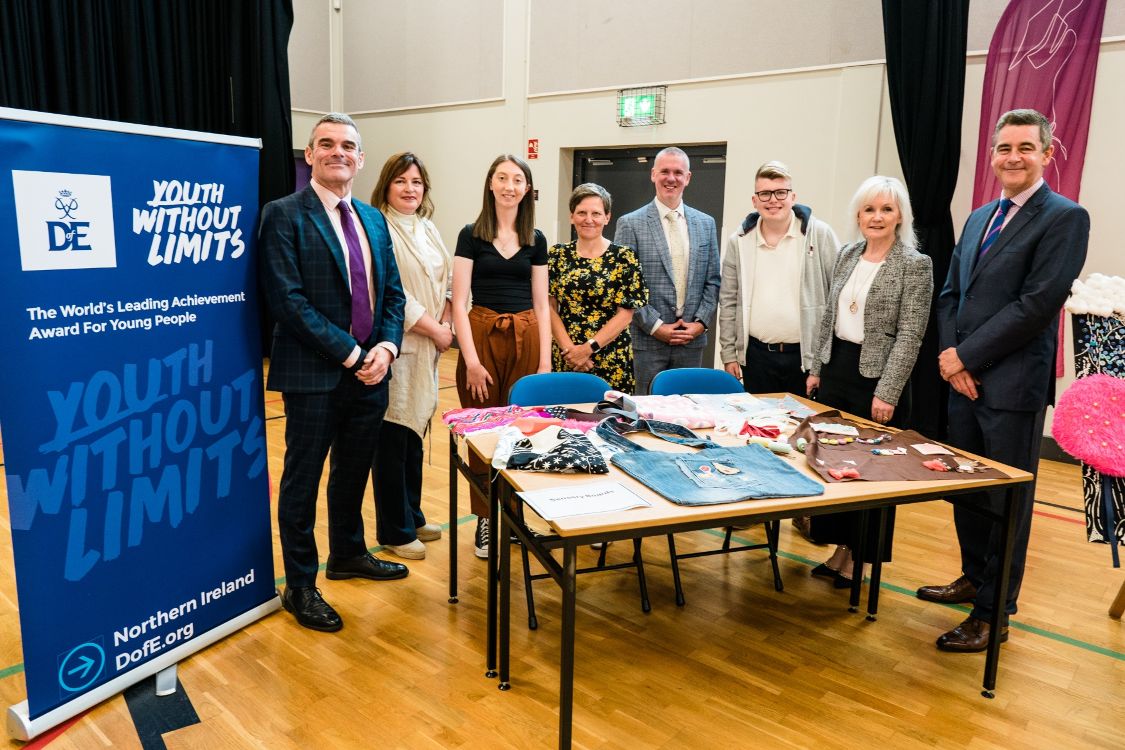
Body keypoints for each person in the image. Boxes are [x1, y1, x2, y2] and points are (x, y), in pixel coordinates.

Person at [918, 108, 1090, 652]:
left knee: (1009, 502)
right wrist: (952, 358)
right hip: (963, 382)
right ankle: (974, 577)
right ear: (991, 155)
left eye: (1024, 147)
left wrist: (964, 357)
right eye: (1003, 148)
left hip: (1011, 388)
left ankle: (995, 612)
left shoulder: (1065, 217)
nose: (1012, 158)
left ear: (1047, 152)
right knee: (968, 494)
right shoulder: (976, 219)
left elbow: (1036, 305)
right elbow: (951, 294)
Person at [261, 113, 409, 633]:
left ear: (361, 159)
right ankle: (300, 584)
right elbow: (288, 302)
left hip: (372, 374)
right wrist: (352, 353)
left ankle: (348, 553)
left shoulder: (372, 219)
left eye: (348, 145)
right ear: (310, 155)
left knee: (353, 472)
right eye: (326, 144)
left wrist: (387, 348)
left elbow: (393, 293)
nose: (337, 152)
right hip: (315, 374)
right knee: (302, 481)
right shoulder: (283, 215)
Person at [805, 176, 933, 588]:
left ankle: (861, 559)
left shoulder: (915, 264)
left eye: (886, 209)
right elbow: (829, 315)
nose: (876, 217)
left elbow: (912, 333)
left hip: (878, 378)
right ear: (858, 215)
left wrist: (888, 390)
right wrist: (816, 367)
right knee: (836, 466)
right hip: (838, 369)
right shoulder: (847, 254)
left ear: (900, 217)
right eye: (869, 209)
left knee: (873, 473)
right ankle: (840, 549)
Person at [452, 154, 551, 559]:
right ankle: (485, 519)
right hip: (481, 335)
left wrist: (545, 364)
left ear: (527, 189)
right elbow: (458, 303)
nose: (510, 186)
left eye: (518, 179)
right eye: (502, 178)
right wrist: (472, 361)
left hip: (527, 337)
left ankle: (515, 514)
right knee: (483, 433)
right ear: (491, 184)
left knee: (522, 431)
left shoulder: (536, 238)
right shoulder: (470, 235)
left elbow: (543, 305)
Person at [368, 152, 452, 560]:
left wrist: (448, 320)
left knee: (414, 435)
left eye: (416, 182)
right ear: (386, 185)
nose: (409, 189)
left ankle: (413, 514)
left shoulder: (427, 227)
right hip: (397, 347)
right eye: (401, 181)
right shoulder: (377, 226)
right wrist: (436, 329)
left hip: (429, 348)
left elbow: (448, 281)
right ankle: (394, 530)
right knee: (392, 436)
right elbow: (388, 291)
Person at [719, 160, 840, 395]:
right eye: (764, 194)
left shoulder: (819, 235)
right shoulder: (739, 241)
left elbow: (837, 296)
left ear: (792, 197)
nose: (773, 200)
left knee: (804, 429)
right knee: (759, 428)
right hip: (756, 357)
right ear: (755, 201)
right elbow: (728, 301)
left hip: (805, 357)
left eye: (780, 192)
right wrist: (728, 354)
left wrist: (823, 361)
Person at [614, 147, 720, 395]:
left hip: (691, 341)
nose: (671, 178)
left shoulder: (706, 223)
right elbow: (626, 287)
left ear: (688, 178)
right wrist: (656, 326)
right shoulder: (630, 223)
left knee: (690, 414)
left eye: (677, 172)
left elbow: (713, 280)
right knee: (647, 416)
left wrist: (701, 323)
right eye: (664, 171)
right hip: (648, 341)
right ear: (653, 175)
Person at [549, 183, 649, 392]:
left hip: (611, 358)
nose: (588, 219)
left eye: (596, 213)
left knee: (612, 421)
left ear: (607, 217)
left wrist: (588, 349)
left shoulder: (624, 257)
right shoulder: (556, 255)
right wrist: (570, 350)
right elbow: (548, 307)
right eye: (581, 212)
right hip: (566, 355)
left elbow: (626, 315)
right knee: (564, 420)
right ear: (571, 216)